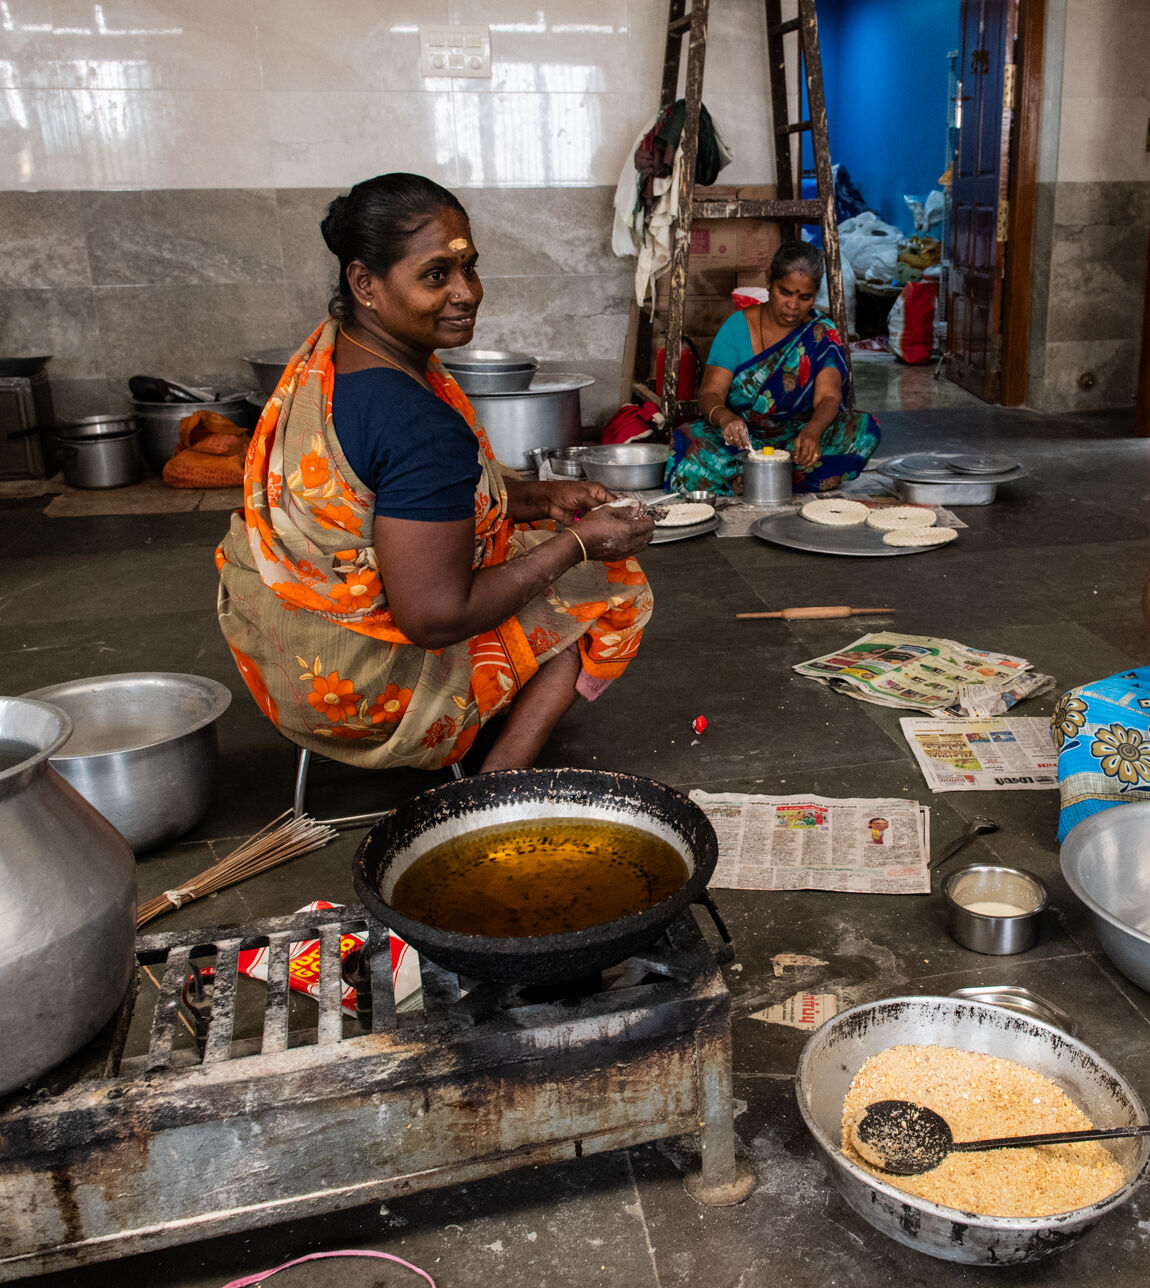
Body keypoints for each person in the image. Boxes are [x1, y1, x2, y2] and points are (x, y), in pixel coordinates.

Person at [216, 173, 654, 774]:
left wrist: (543, 498)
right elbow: (434, 619)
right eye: (435, 275)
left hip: (286, 653)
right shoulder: (415, 422)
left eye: (468, 268)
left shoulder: (332, 358)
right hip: (367, 695)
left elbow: (391, 498)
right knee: (605, 585)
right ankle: (493, 789)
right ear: (365, 283)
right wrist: (580, 543)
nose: (466, 292)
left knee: (525, 550)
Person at [665, 241, 881, 495]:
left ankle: (755, 481)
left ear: (815, 294)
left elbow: (829, 396)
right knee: (686, 447)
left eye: (805, 297)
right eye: (785, 292)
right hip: (742, 441)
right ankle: (775, 480)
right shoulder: (737, 327)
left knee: (866, 430)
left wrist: (812, 432)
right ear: (770, 282)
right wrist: (726, 419)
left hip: (797, 438)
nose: (793, 305)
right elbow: (710, 393)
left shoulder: (822, 333)